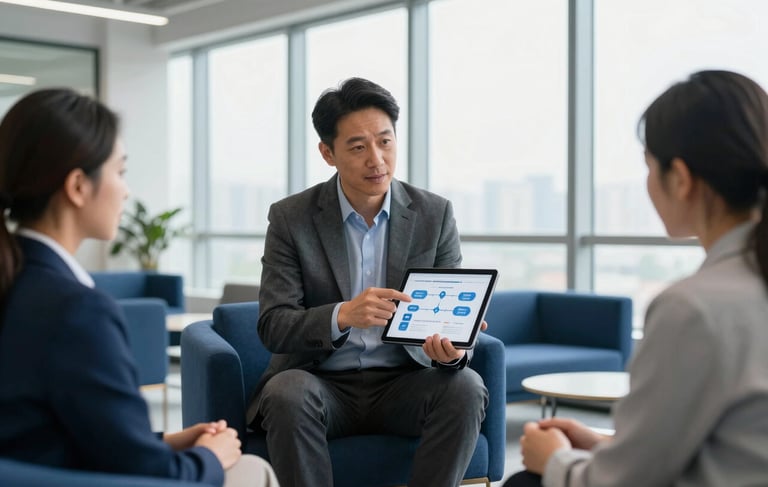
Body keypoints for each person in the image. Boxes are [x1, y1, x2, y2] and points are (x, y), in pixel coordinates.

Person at [0, 89, 278, 487]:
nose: (126, 191)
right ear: (78, 186)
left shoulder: (17, 282)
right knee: (252, 470)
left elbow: (42, 432)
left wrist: (165, 440)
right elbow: (150, 476)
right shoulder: (77, 310)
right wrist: (209, 457)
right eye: (120, 172)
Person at [505, 70, 768, 487]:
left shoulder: (694, 309)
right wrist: (601, 445)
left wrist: (556, 460)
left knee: (527, 481)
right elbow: (727, 444)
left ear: (680, 179)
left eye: (649, 167)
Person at [245, 77, 489, 487]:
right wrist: (342, 315)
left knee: (465, 385)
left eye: (385, 142)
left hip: (405, 384)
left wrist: (450, 350)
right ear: (328, 152)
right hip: (321, 383)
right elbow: (273, 325)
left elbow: (450, 316)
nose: (376, 159)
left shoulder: (434, 214)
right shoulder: (291, 218)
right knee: (287, 392)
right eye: (358, 147)